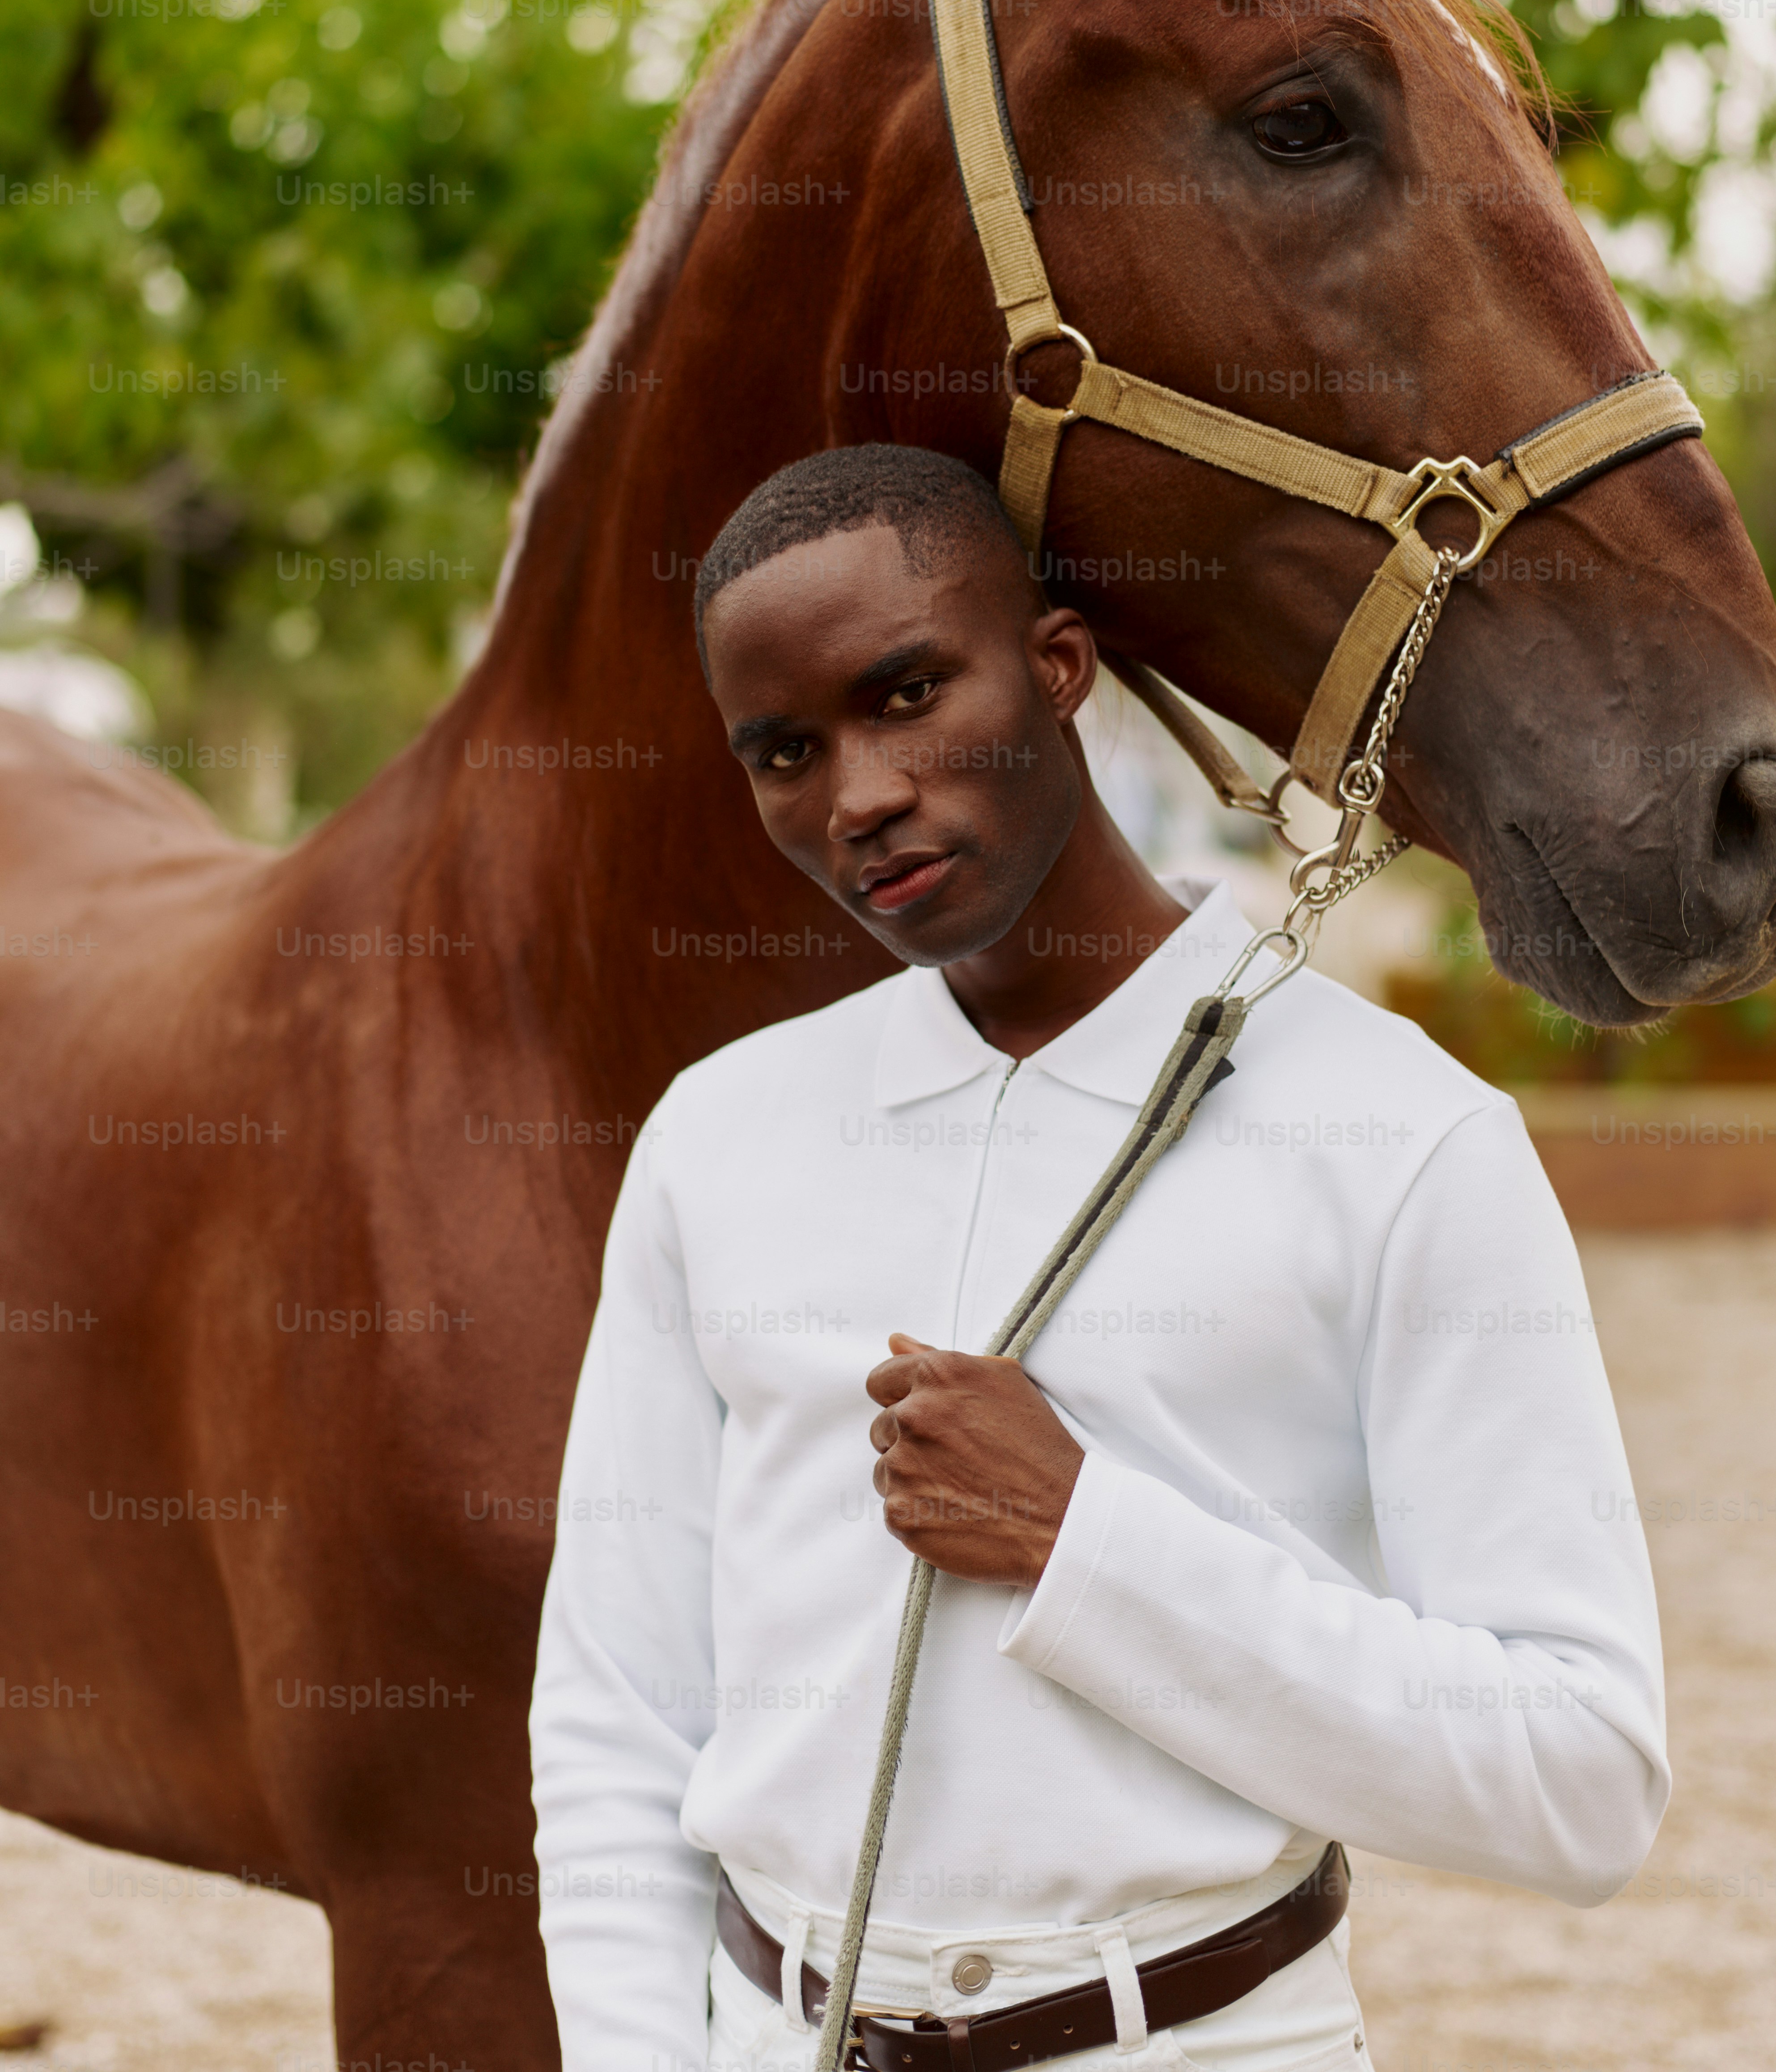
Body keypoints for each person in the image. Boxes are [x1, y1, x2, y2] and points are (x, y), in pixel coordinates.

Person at [530, 444, 1668, 2072]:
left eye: (908, 693)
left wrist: (1094, 1547)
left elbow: (1585, 1779)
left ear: (1059, 669)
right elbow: (615, 1719)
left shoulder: (1407, 1139)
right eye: (787, 751)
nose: (857, 797)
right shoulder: (719, 1137)